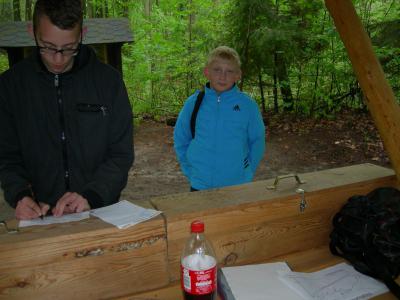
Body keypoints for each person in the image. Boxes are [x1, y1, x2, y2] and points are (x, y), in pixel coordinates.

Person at [0, 0, 134, 220]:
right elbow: (6, 156)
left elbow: (121, 154)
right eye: (48, 47)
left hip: (98, 209)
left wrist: (92, 195)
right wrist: (20, 195)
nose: (58, 59)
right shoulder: (10, 87)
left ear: (83, 33)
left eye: (69, 48)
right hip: (39, 215)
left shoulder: (108, 82)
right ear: (31, 32)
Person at [174, 46, 265, 191]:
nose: (223, 76)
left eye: (229, 71)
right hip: (200, 183)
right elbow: (181, 138)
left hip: (237, 184)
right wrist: (190, 171)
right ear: (207, 72)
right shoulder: (194, 103)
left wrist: (247, 171)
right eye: (217, 70)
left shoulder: (248, 105)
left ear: (238, 75)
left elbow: (258, 140)